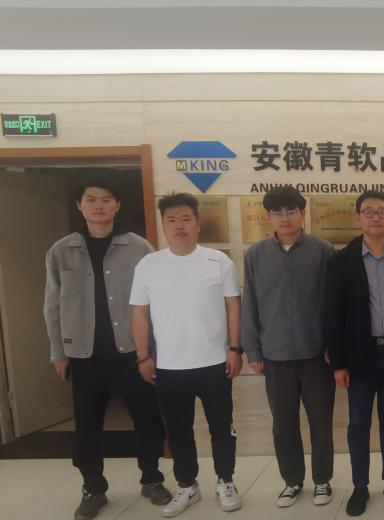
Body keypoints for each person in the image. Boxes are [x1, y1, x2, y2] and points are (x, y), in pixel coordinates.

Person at [43, 175, 170, 520]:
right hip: (84, 353)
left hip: (132, 350)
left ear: (117, 205)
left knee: (147, 417)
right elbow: (52, 306)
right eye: (91, 199)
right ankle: (93, 488)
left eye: (105, 199)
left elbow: (156, 301)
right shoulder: (61, 250)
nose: (98, 206)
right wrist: (58, 353)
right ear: (79, 205)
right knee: (87, 424)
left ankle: (152, 479)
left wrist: (152, 350)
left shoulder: (139, 247)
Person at [130, 193, 243, 517]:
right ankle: (187, 484)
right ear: (164, 224)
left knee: (222, 427)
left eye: (185, 219)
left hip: (215, 362)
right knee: (178, 430)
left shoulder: (218, 261)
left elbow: (233, 306)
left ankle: (225, 480)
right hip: (169, 366)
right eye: (172, 220)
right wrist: (143, 356)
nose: (179, 226)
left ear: (197, 223)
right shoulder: (149, 265)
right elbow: (139, 313)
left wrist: (235, 349)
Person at [325, 190, 384, 517]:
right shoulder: (341, 261)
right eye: (369, 211)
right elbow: (332, 315)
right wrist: (338, 363)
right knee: (358, 423)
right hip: (358, 356)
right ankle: (360, 486)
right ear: (358, 218)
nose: (376, 217)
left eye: (382, 211)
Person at [242, 186, 336, 508]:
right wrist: (253, 351)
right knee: (283, 425)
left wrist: (333, 346)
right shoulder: (255, 255)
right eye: (278, 212)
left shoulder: (323, 251)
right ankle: (292, 481)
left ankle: (322, 480)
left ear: (302, 213)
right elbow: (250, 304)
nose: (285, 218)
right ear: (269, 216)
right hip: (275, 356)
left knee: (321, 422)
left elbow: (332, 303)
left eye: (291, 211)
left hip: (316, 355)